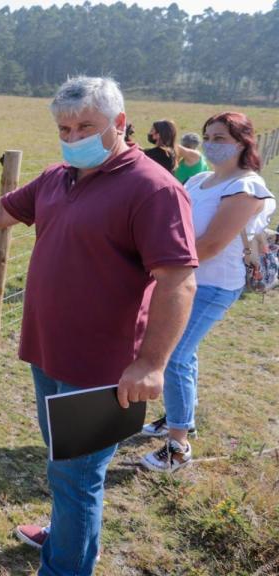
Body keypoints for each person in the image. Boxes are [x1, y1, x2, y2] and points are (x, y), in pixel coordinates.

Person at [0, 76, 198, 576]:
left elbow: (177, 281)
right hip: (48, 351)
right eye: (65, 128)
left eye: (85, 126)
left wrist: (151, 364)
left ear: (120, 124)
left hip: (104, 368)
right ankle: (72, 536)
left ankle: (65, 564)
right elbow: (1, 212)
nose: (72, 137)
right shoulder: (56, 176)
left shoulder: (153, 189)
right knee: (66, 466)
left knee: (77, 476)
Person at [140, 112, 275, 472]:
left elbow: (213, 244)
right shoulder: (199, 180)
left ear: (244, 143)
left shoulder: (246, 188)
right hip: (182, 280)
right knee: (184, 352)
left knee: (176, 355)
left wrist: (160, 263)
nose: (213, 144)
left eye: (222, 138)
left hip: (213, 285)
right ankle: (176, 418)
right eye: (209, 137)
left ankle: (178, 446)